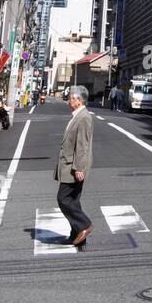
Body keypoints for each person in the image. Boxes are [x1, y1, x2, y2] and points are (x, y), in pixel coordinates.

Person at [53, 85, 94, 249]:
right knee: (73, 201)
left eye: (71, 97)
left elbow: (82, 146)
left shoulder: (84, 117)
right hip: (71, 165)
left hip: (73, 167)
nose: (68, 100)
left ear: (79, 99)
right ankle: (77, 236)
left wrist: (78, 168)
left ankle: (84, 225)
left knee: (63, 198)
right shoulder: (78, 115)